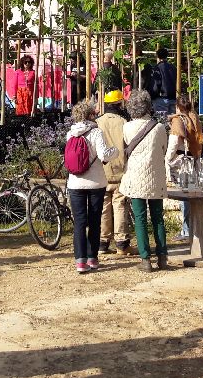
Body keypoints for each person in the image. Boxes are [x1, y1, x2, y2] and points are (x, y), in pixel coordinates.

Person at [119, 89, 173, 272]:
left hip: (135, 178)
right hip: (155, 176)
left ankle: (145, 260)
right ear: (148, 106)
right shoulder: (158, 128)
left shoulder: (126, 127)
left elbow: (125, 147)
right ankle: (163, 257)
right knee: (158, 218)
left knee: (140, 219)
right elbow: (164, 149)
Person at [66, 100, 117, 272]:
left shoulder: (70, 134)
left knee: (79, 222)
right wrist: (115, 151)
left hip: (75, 182)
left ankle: (80, 262)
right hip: (96, 182)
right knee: (95, 220)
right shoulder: (96, 132)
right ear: (90, 115)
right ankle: (92, 258)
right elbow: (104, 155)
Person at [96, 90, 136, 255]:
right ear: (120, 104)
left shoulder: (97, 122)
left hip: (101, 172)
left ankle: (103, 243)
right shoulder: (124, 123)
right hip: (120, 172)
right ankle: (121, 243)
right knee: (119, 206)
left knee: (103, 208)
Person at [168, 94, 202, 239]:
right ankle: (191, 227)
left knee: (184, 196)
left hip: (182, 161)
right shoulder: (193, 117)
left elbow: (175, 141)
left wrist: (168, 158)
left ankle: (186, 230)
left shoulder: (179, 120)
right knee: (191, 194)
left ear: (177, 106)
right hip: (194, 158)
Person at [152, 48, 177, 115]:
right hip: (173, 98)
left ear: (157, 56)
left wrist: (153, 96)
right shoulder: (173, 67)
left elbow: (157, 83)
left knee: (163, 122)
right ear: (167, 55)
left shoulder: (157, 68)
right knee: (173, 121)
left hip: (162, 98)